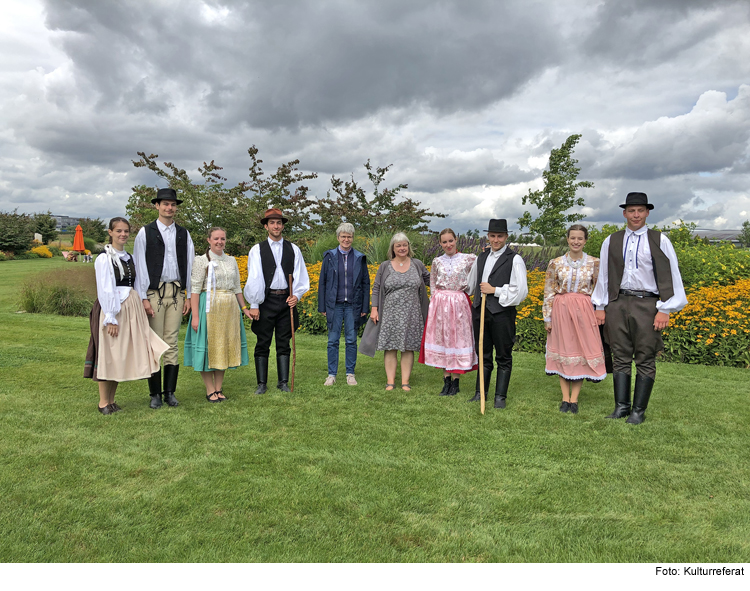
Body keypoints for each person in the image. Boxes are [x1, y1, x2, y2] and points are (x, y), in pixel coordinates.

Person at [591, 192, 687, 424]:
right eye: (631, 211)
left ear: (647, 213)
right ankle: (621, 407)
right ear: (624, 213)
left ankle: (638, 412)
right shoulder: (611, 241)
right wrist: (601, 305)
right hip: (617, 302)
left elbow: (672, 275)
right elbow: (603, 276)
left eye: (640, 211)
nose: (636, 215)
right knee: (620, 355)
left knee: (645, 357)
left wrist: (665, 309)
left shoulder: (660, 240)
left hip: (648, 303)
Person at [84, 218, 169, 414]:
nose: (123, 234)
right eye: (119, 231)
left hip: (130, 308)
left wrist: (143, 303)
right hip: (112, 308)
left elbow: (137, 284)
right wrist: (111, 317)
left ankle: (112, 401)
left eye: (126, 231)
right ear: (110, 232)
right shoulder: (104, 258)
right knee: (109, 354)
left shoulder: (129, 257)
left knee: (119, 355)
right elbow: (105, 289)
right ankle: (103, 402)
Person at [133, 187, 195, 409]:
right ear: (157, 206)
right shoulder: (145, 232)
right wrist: (142, 297)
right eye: (165, 204)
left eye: (173, 204)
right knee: (154, 342)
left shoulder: (183, 234)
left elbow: (189, 264)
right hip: (154, 292)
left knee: (171, 342)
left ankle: (170, 393)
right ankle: (154, 394)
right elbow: (139, 265)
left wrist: (188, 294)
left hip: (177, 292)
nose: (170, 208)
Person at [244, 208, 310, 394]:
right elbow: (254, 278)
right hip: (266, 300)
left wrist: (296, 295)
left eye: (279, 223)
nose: (276, 226)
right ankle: (262, 384)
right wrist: (254, 304)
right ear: (266, 226)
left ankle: (283, 382)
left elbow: (301, 275)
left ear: (282, 226)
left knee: (284, 342)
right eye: (272, 223)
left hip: (286, 301)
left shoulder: (293, 249)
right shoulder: (257, 250)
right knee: (263, 341)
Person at [543, 225, 606, 414]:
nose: (576, 242)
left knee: (580, 351)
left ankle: (574, 399)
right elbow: (549, 290)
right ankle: (564, 398)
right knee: (564, 350)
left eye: (580, 238)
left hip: (584, 310)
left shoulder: (595, 262)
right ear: (567, 239)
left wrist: (599, 310)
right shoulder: (555, 263)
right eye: (572, 238)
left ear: (585, 240)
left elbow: (600, 289)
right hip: (561, 310)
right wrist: (548, 317)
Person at [184, 227, 252, 402]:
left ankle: (219, 388)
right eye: (216, 239)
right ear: (209, 240)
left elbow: (237, 287)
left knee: (223, 347)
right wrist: (196, 316)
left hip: (229, 309)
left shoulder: (231, 260)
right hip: (208, 308)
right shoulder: (201, 261)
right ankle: (209, 389)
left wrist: (244, 308)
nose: (219, 242)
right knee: (209, 348)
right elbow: (195, 290)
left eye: (222, 238)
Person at [466, 219, 528, 409]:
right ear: (488, 236)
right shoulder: (481, 257)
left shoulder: (514, 259)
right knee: (483, 354)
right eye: (492, 236)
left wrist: (495, 290)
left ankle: (500, 397)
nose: (496, 240)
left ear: (506, 237)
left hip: (502, 313)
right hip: (481, 311)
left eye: (499, 236)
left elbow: (521, 291)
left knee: (503, 355)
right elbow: (470, 284)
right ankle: (480, 393)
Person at [360, 233, 430, 390]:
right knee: (390, 347)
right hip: (390, 313)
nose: (402, 248)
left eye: (404, 245)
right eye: (398, 245)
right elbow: (377, 287)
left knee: (408, 347)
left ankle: (405, 382)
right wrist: (374, 309)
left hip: (412, 313)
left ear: (408, 247)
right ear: (393, 248)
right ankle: (390, 381)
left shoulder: (417, 264)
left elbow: (431, 280)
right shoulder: (385, 266)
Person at [419, 228, 477, 396]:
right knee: (443, 339)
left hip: (459, 302)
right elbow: (433, 283)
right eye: (444, 242)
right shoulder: (437, 261)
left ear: (456, 239)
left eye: (450, 240)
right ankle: (446, 381)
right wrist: (435, 302)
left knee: (457, 339)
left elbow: (479, 273)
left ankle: (456, 381)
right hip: (441, 304)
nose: (448, 244)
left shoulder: (468, 259)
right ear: (440, 243)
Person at [318, 223, 370, 386]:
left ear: (353, 238)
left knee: (351, 340)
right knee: (332, 340)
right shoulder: (329, 257)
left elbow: (365, 283)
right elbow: (322, 283)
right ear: (338, 237)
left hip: (352, 306)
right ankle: (331, 374)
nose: (346, 239)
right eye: (343, 236)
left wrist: (364, 307)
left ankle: (350, 373)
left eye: (349, 236)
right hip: (334, 305)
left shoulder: (359, 258)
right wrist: (322, 306)